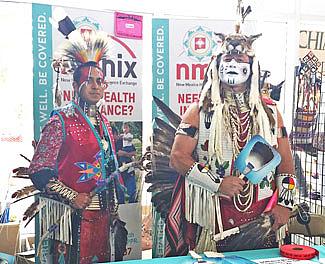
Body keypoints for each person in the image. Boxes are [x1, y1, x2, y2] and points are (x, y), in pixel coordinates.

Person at [165, 31, 296, 255]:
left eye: (240, 59)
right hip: (215, 215)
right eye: (227, 59)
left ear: (252, 67)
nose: (233, 64)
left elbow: (285, 164)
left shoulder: (270, 112)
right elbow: (177, 158)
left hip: (264, 216)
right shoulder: (200, 110)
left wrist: (285, 204)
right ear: (217, 65)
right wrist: (218, 183)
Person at [28, 31, 127, 263]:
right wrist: (72, 196)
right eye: (89, 81)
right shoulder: (60, 120)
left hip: (104, 215)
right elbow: (39, 171)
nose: (95, 86)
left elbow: (108, 168)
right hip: (72, 216)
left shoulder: (104, 122)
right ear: (75, 84)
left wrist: (113, 208)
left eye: (99, 81)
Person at [112, 124, 137, 203]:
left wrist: (125, 154)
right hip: (117, 174)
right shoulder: (108, 144)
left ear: (116, 134)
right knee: (119, 195)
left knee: (132, 192)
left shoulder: (124, 141)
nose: (112, 138)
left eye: (113, 135)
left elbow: (134, 152)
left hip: (129, 171)